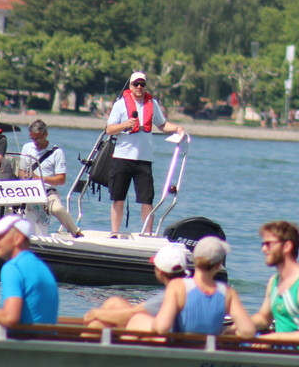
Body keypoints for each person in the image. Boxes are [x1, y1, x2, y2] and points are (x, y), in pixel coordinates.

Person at [105, 71, 186, 236]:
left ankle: (148, 234)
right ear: (131, 86)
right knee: (118, 197)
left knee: (147, 199)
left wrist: (177, 128)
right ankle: (115, 232)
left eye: (142, 84)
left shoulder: (152, 104)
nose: (139, 87)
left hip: (144, 159)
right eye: (136, 84)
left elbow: (162, 125)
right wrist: (125, 124)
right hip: (123, 157)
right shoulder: (120, 104)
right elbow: (109, 129)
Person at [127, 236, 253, 337]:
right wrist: (226, 331)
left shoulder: (177, 286)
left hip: (183, 349)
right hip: (210, 351)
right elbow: (248, 331)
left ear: (194, 258)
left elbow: (162, 327)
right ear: (218, 265)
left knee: (138, 319)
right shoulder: (228, 293)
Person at [84, 242, 191, 330]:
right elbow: (142, 308)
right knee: (114, 302)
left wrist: (95, 313)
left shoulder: (172, 291)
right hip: (171, 328)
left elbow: (133, 314)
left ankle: (84, 349)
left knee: (99, 322)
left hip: (164, 335)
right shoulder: (188, 285)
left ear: (159, 272)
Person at [250, 220, 299, 342]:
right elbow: (263, 318)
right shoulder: (274, 281)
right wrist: (237, 326)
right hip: (279, 348)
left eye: (268, 244)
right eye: (262, 244)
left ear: (286, 246)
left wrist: (275, 337)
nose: (263, 249)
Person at [18, 119, 83, 238]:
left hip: (47, 191)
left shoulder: (57, 152)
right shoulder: (27, 148)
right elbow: (21, 171)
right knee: (12, 207)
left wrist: (41, 179)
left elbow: (61, 179)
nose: (35, 142)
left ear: (46, 135)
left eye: (38, 138)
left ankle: (76, 232)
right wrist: (24, 175)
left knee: (57, 209)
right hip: (28, 190)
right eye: (32, 138)